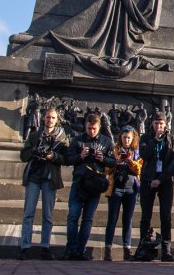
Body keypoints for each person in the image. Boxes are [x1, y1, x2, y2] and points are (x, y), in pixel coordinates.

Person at [63, 112, 115, 260]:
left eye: (94, 128)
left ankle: (80, 250)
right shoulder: (77, 140)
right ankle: (71, 248)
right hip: (79, 182)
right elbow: (67, 159)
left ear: (99, 127)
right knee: (73, 216)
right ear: (85, 126)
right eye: (88, 128)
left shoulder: (106, 141)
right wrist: (80, 157)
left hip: (95, 184)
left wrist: (102, 158)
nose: (91, 131)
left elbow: (113, 162)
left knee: (88, 218)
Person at [18, 107, 68, 260]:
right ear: (43, 119)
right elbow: (23, 155)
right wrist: (34, 150)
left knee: (48, 215)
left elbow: (65, 158)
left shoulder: (61, 138)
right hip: (34, 176)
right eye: (47, 117)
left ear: (57, 120)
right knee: (28, 213)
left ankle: (45, 247)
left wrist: (53, 156)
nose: (50, 120)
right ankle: (25, 246)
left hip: (49, 178)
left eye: (53, 118)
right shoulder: (34, 135)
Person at [138, 112, 174, 261]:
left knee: (165, 216)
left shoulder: (171, 139)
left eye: (161, 124)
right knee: (145, 216)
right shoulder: (145, 138)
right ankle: (143, 248)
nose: (158, 127)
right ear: (152, 124)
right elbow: (144, 155)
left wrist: (160, 180)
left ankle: (166, 250)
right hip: (148, 179)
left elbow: (173, 162)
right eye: (156, 124)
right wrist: (154, 141)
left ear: (165, 124)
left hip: (165, 181)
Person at [103, 126, 142, 261]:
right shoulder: (114, 151)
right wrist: (116, 161)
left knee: (128, 220)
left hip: (131, 189)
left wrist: (131, 162)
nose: (126, 140)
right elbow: (107, 169)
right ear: (120, 137)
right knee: (112, 219)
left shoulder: (136, 152)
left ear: (133, 139)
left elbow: (139, 170)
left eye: (129, 138)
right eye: (124, 137)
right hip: (116, 188)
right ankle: (108, 249)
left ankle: (127, 249)